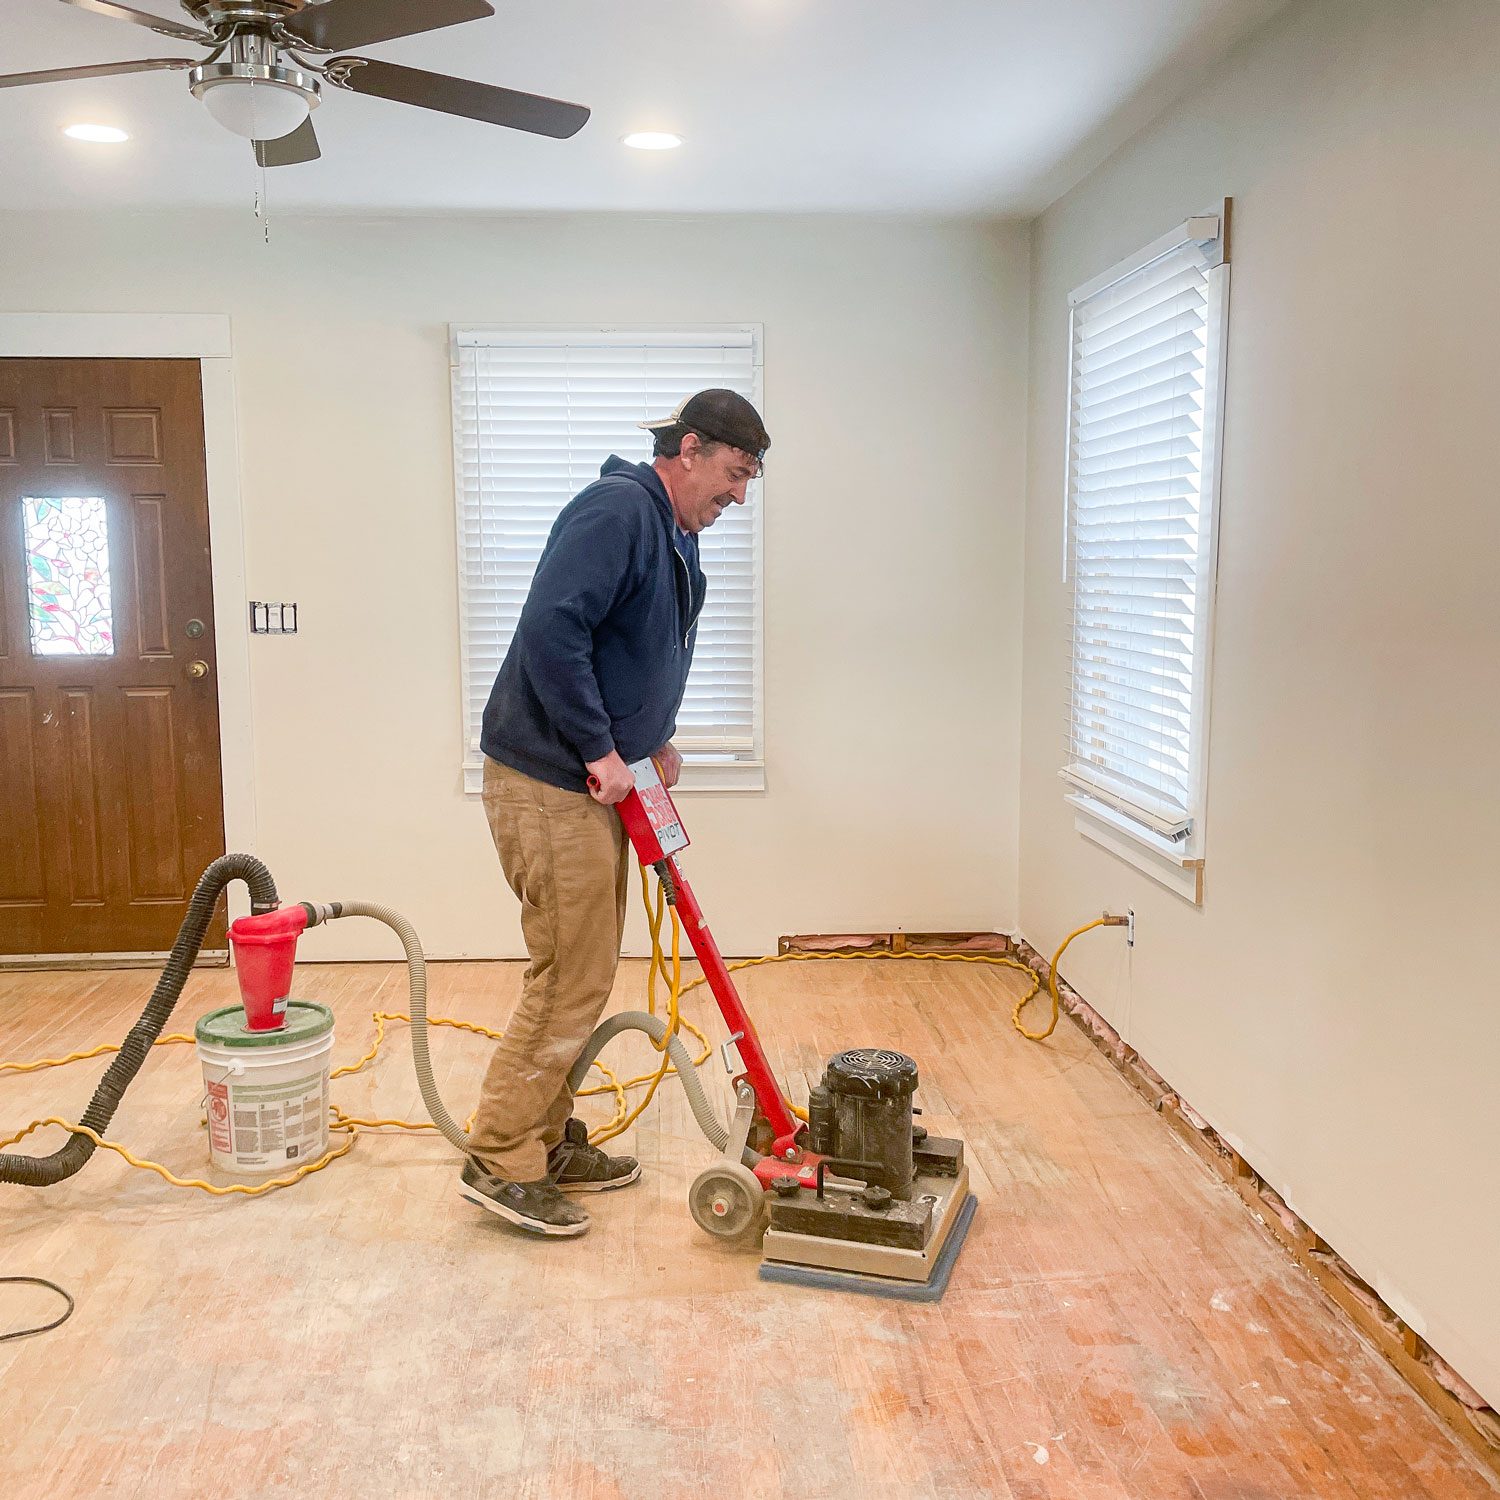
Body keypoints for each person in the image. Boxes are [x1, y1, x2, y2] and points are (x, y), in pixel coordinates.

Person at [459, 388, 770, 1237]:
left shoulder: (669, 531)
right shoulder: (618, 511)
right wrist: (601, 749)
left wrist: (649, 742)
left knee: (584, 969)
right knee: (569, 975)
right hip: (553, 783)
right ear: (692, 448)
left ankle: (545, 1138)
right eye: (735, 475)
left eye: (750, 482)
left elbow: (629, 645)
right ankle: (500, 1156)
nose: (739, 495)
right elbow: (552, 631)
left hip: (592, 782)